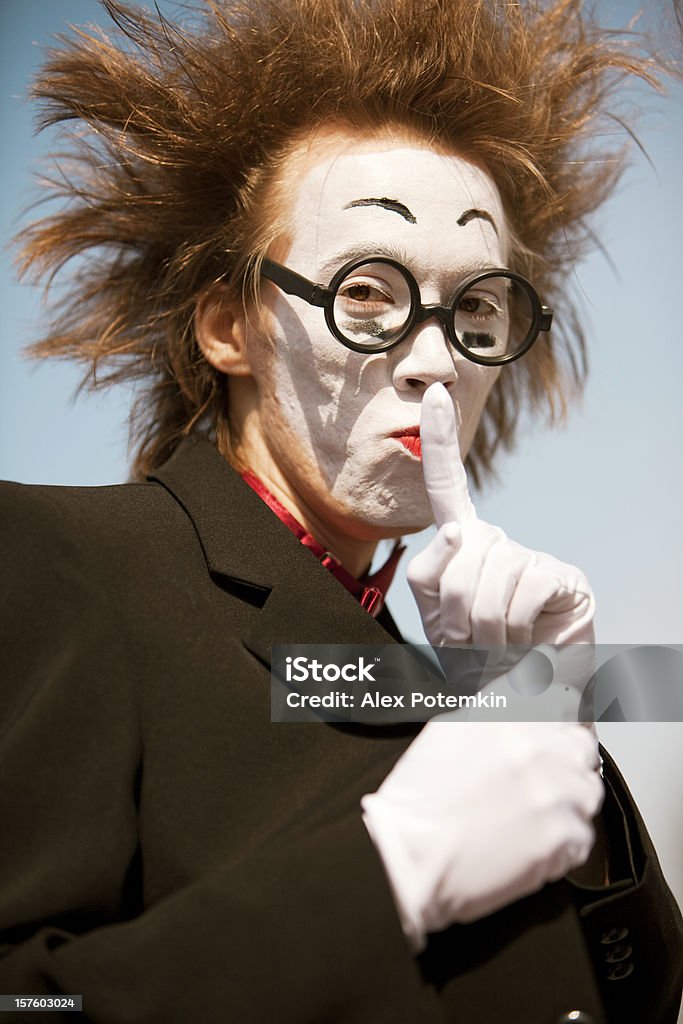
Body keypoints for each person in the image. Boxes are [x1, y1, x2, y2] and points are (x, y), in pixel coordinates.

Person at [1, 1, 681, 1021]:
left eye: (476, 309)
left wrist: (550, 717)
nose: (435, 359)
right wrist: (395, 869)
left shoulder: (426, 667)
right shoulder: (61, 559)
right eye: (366, 291)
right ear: (231, 326)